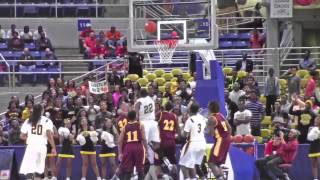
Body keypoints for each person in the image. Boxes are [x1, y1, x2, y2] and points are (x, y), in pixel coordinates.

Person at [19, 104, 57, 180]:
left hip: (30, 146)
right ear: (42, 111)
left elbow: (22, 136)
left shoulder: (28, 120)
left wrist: (30, 138)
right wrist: (53, 147)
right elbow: (49, 135)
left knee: (29, 168)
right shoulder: (46, 120)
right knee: (38, 169)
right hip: (41, 146)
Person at [179, 103, 207, 180]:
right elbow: (206, 128)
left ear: (190, 110)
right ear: (198, 110)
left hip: (193, 143)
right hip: (202, 143)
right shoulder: (202, 118)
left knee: (183, 164)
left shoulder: (190, 120)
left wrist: (181, 130)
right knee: (192, 164)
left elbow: (184, 135)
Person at [118, 111, 148, 180]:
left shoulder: (125, 127)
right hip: (138, 147)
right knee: (140, 169)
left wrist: (120, 153)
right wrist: (146, 150)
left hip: (128, 147)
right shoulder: (140, 125)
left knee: (127, 170)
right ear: (135, 117)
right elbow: (144, 138)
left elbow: (120, 141)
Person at [207, 101, 232, 180]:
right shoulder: (221, 115)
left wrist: (208, 126)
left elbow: (211, 134)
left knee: (211, 162)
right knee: (217, 163)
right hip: (227, 139)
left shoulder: (212, 118)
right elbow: (230, 128)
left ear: (210, 108)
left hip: (220, 141)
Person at [154, 102, 180, 179]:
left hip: (162, 141)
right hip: (172, 142)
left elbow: (154, 125)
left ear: (164, 107)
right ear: (172, 108)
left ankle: (165, 175)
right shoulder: (175, 116)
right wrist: (178, 137)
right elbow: (178, 129)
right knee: (173, 161)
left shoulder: (160, 114)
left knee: (158, 163)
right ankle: (175, 178)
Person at [307, 116, 320, 180]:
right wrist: (314, 135)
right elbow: (308, 138)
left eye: (317, 120)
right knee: (314, 165)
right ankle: (315, 179)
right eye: (315, 119)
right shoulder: (311, 128)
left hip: (319, 147)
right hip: (313, 147)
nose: (315, 121)